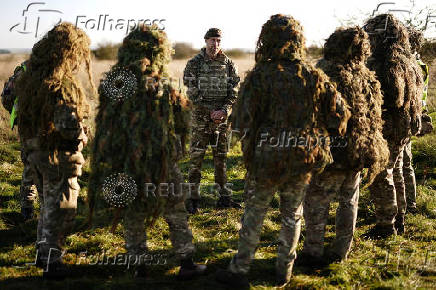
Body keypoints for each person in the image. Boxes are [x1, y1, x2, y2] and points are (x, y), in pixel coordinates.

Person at [215, 14, 350, 287]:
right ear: (298, 41)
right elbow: (340, 117)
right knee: (292, 214)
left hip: (266, 157)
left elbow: (240, 122)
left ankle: (239, 270)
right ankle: (283, 272)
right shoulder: (314, 76)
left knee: (254, 210)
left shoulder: (259, 76)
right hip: (302, 157)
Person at [90, 24, 206, 280]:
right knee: (175, 207)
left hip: (127, 159)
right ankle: (186, 261)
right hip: (161, 160)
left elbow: (105, 123)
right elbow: (182, 121)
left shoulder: (113, 83)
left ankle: (138, 265)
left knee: (133, 211)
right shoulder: (161, 83)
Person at [298, 27, 389, 265]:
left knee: (317, 200)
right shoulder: (368, 76)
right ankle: (341, 251)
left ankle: (313, 252)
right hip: (360, 150)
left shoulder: (324, 73)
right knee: (349, 200)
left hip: (332, 153)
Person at [15, 22, 94, 279]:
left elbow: (9, 101)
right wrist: (82, 133)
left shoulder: (28, 76)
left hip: (34, 151)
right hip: (57, 154)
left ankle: (42, 254)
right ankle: (53, 261)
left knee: (47, 205)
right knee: (61, 208)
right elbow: (66, 124)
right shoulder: (61, 83)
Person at [364, 14, 423, 237]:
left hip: (390, 125)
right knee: (396, 170)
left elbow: (390, 98)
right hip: (406, 123)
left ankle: (385, 226)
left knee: (382, 173)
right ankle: (399, 217)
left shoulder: (385, 62)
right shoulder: (410, 61)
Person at [183, 28, 241, 213]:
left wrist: (224, 110)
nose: (215, 44)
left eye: (218, 40)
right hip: (201, 119)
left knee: (221, 160)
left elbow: (234, 90)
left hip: (221, 121)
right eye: (212, 40)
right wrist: (210, 111)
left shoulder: (229, 63)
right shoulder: (194, 63)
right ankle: (192, 199)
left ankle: (224, 198)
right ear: (205, 41)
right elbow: (191, 90)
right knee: (196, 161)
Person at [1, 61, 37, 220]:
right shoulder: (39, 71)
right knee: (33, 165)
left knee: (30, 165)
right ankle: (29, 209)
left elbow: (7, 98)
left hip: (26, 123)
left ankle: (27, 208)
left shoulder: (24, 68)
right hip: (33, 124)